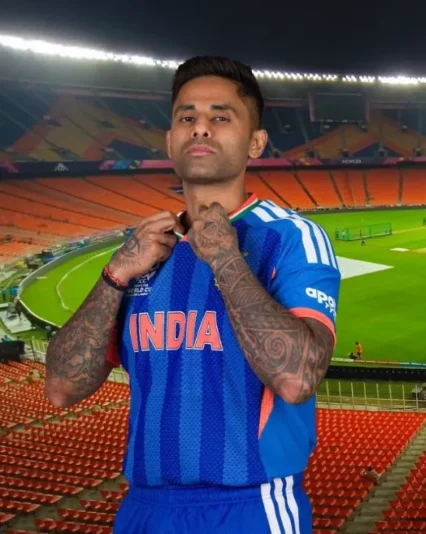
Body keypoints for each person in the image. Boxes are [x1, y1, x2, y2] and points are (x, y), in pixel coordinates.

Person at [43, 56, 341, 534]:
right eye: (187, 117)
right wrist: (114, 275)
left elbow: (297, 378)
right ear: (170, 140)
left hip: (251, 507)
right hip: (143, 507)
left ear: (256, 142)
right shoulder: (143, 251)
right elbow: (61, 389)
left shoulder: (291, 238)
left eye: (220, 117)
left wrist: (226, 259)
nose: (200, 128)